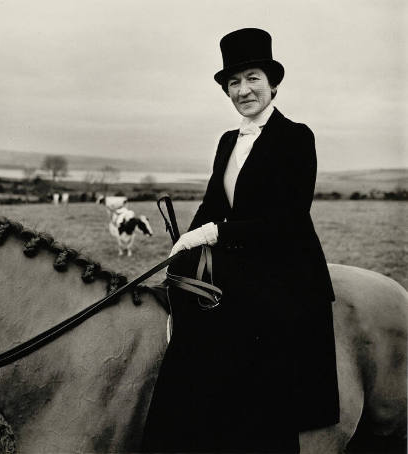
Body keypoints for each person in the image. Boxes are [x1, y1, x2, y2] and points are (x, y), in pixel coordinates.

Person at [142, 28, 339, 453]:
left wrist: (216, 232)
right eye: (234, 83)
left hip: (286, 264)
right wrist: (186, 243)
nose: (243, 90)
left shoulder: (297, 137)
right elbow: (214, 202)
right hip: (238, 258)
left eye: (252, 78)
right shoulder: (228, 141)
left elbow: (288, 219)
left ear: (272, 84)